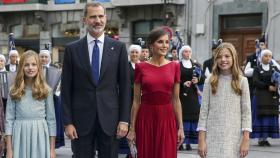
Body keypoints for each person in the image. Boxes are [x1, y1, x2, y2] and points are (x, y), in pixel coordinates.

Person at [61, 2, 131, 158]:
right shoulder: (72, 49)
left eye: (100, 16)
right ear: (85, 20)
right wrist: (68, 122)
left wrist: (124, 120)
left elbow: (125, 88)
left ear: (106, 18)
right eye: (93, 17)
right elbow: (66, 89)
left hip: (110, 120)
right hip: (80, 122)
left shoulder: (118, 48)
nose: (97, 20)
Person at [127, 27, 185, 158]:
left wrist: (180, 127)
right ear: (151, 44)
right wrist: (132, 129)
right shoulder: (140, 67)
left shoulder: (175, 66)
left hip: (167, 119)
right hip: (145, 119)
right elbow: (136, 101)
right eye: (160, 42)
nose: (165, 45)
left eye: (167, 42)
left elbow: (176, 100)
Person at [197, 43, 251, 158]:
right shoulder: (209, 81)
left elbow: (246, 112)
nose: (223, 60)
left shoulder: (242, 81)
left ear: (234, 58)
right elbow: (204, 111)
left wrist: (245, 139)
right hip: (212, 137)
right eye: (219, 57)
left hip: (234, 137)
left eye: (227, 56)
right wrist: (201, 139)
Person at [5, 50, 56, 158]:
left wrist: (52, 150)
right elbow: (9, 120)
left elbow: (51, 121)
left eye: (34, 64)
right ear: (21, 68)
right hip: (19, 136)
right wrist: (9, 150)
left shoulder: (46, 90)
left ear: (39, 67)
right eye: (26, 65)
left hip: (40, 136)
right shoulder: (14, 90)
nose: (30, 68)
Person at [251, 49, 279, 146]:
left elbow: (277, 79)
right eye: (265, 56)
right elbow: (255, 81)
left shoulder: (274, 68)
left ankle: (266, 138)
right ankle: (260, 138)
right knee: (261, 116)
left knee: (268, 116)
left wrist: (276, 85)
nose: (268, 58)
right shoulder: (257, 69)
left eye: (269, 56)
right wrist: (268, 86)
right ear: (261, 57)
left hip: (271, 97)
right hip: (260, 96)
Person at [178, 45, 204, 151]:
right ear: (181, 53)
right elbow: (174, 79)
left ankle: (189, 142)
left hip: (192, 94)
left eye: (189, 52)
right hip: (182, 93)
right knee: (183, 117)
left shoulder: (195, 65)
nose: (187, 54)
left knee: (193, 117)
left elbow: (202, 78)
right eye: (185, 52)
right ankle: (181, 142)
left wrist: (197, 80)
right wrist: (183, 83)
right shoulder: (178, 65)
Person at [39, 49, 64, 148]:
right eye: (42, 57)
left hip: (53, 100)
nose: (44, 59)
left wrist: (55, 93)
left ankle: (52, 145)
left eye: (46, 57)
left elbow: (59, 84)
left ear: (49, 58)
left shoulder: (56, 69)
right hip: (38, 100)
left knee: (52, 122)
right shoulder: (34, 68)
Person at [119, 44, 141, 158]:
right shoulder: (126, 66)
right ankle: (129, 151)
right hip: (128, 99)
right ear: (129, 54)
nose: (134, 54)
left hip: (140, 100)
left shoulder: (143, 66)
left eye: (136, 52)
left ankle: (137, 150)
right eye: (132, 52)